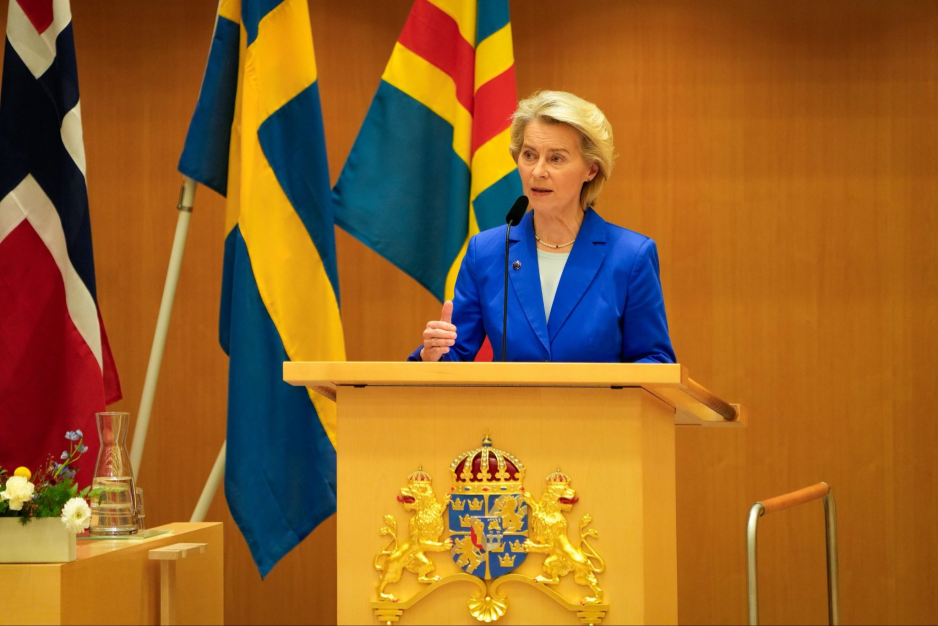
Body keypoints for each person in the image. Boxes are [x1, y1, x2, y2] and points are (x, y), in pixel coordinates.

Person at [409, 90, 676, 364]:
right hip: (511, 407)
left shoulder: (630, 257)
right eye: (529, 155)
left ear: (591, 170)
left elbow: (654, 361)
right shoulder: (486, 253)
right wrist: (433, 355)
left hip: (596, 408)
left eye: (556, 158)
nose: (538, 171)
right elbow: (456, 358)